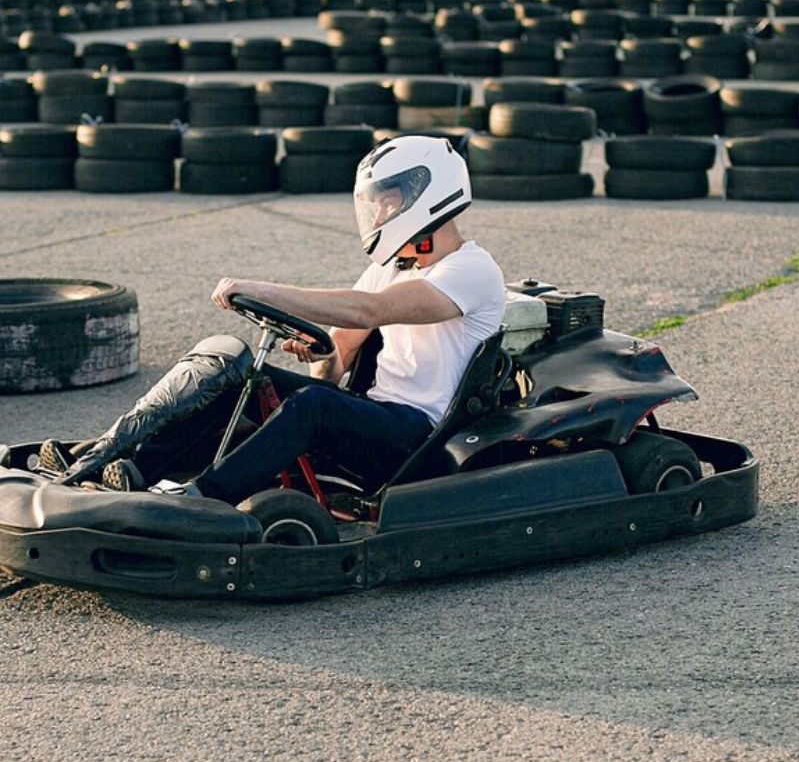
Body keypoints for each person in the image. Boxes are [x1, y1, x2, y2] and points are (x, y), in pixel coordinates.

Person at [72, 134, 505, 504]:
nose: (378, 215)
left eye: (387, 203)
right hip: (371, 414)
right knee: (238, 379)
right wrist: (320, 351)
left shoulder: (472, 270)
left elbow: (369, 310)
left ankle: (203, 499)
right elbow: (335, 365)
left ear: (423, 197)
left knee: (312, 407)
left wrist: (260, 288)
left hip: (416, 436)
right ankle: (127, 466)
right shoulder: (392, 268)